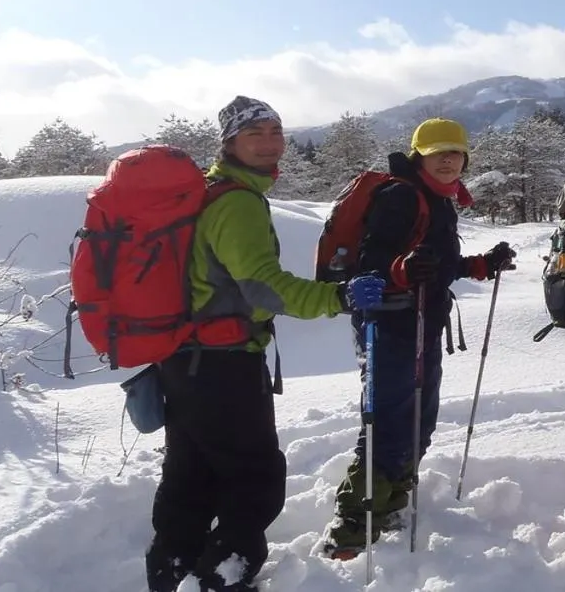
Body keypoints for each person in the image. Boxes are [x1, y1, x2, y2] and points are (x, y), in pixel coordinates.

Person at [146, 96, 386, 592]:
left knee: (191, 476)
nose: (270, 141)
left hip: (184, 359)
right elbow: (262, 285)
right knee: (253, 480)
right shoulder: (236, 201)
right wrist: (338, 296)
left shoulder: (212, 193)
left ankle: (171, 571)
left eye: (275, 131)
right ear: (230, 143)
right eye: (255, 133)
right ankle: (224, 578)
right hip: (223, 364)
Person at [323, 117, 517, 558]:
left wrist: (481, 264)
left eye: (456, 153)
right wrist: (402, 270)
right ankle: (352, 528)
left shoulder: (438, 198)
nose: (449, 160)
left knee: (418, 422)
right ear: (419, 156)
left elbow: (435, 263)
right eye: (438, 152)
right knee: (389, 422)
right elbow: (372, 265)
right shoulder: (401, 196)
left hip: (421, 324)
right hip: (390, 326)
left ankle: (390, 504)